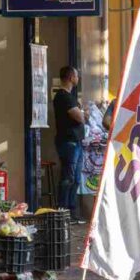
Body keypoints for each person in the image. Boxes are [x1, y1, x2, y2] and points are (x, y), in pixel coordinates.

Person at [53, 66, 86, 223]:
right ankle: (63, 211)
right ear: (71, 77)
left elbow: (80, 113)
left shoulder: (70, 97)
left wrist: (81, 111)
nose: (78, 79)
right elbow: (79, 117)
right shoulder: (63, 97)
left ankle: (72, 212)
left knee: (76, 179)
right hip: (68, 143)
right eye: (76, 76)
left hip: (76, 142)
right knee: (68, 177)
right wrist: (82, 112)